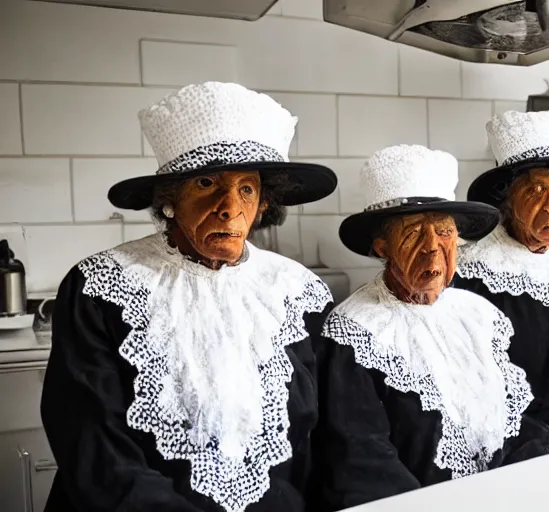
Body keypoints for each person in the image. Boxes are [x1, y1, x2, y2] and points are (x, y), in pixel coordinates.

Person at [40, 82, 339, 512]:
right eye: (206, 182)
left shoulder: (300, 293)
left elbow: (324, 440)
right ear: (169, 199)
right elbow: (94, 447)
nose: (230, 207)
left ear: (262, 205)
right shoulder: (100, 286)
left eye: (247, 189)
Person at [315, 144, 549, 511]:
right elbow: (361, 458)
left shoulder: (476, 315)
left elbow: (497, 422)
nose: (433, 249)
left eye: (445, 232)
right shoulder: (355, 330)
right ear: (382, 245)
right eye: (415, 233)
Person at [454, 110, 549, 439]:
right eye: (536, 190)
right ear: (507, 197)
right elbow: (471, 387)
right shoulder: (471, 270)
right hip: (521, 451)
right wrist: (547, 441)